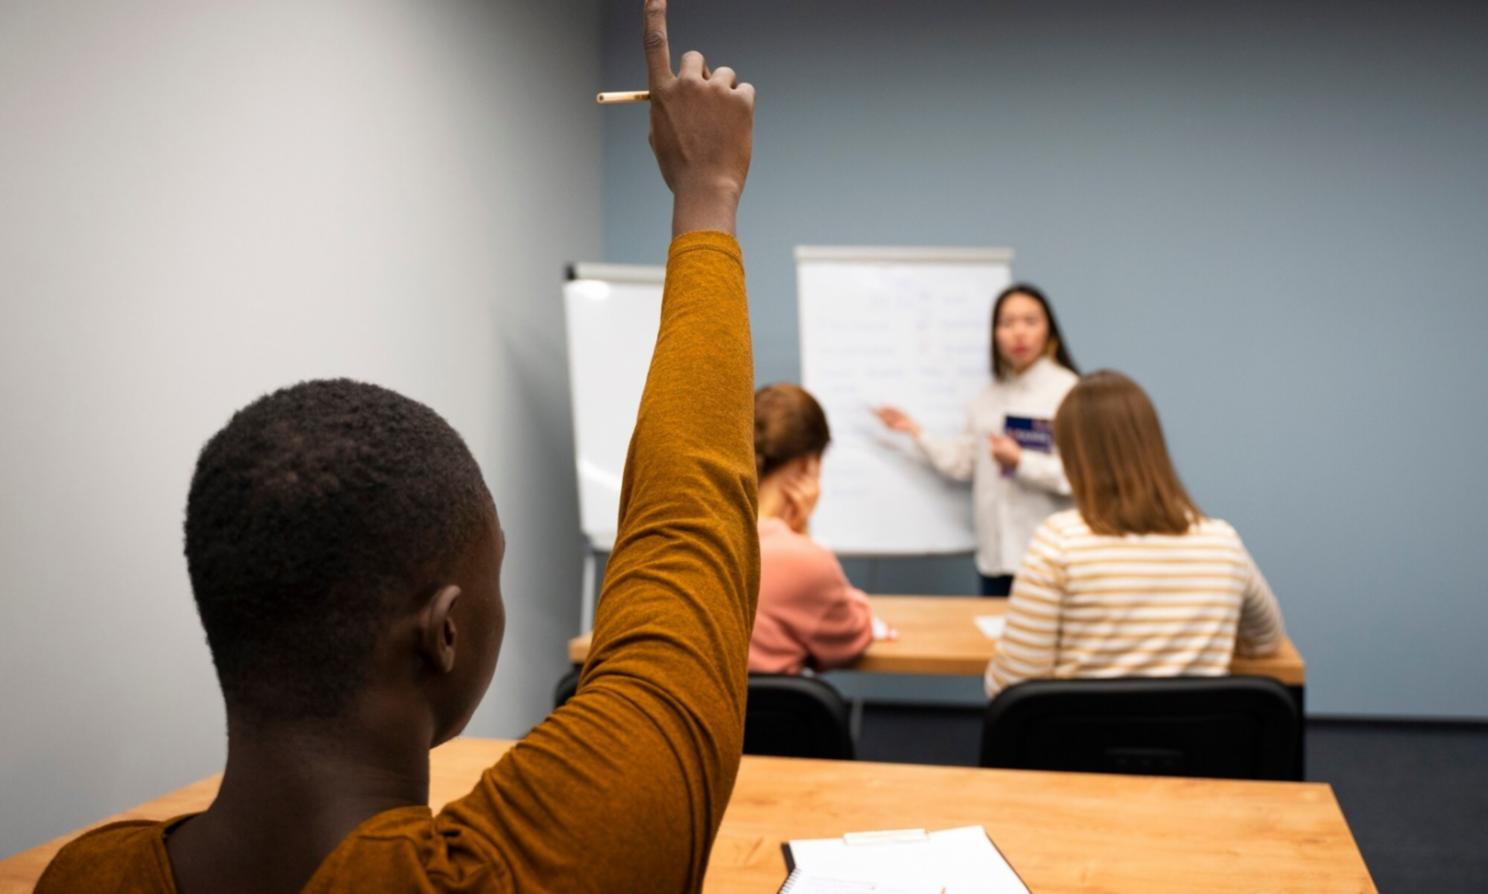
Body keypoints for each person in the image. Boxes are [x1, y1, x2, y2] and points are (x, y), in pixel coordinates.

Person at [38, 3, 759, 891]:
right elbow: (688, 535)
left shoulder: (83, 875)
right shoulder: (521, 869)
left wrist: (704, 192)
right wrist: (709, 191)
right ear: (445, 632)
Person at [983, 370, 1286, 698]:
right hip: (1196, 732)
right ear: (1153, 447)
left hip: (1082, 732)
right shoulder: (1222, 543)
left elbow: (1011, 685)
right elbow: (1266, 641)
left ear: (1073, 456)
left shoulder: (1059, 542)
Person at [875, 283, 1080, 596]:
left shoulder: (1068, 392)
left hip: (1047, 558)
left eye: (1030, 321)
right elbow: (964, 463)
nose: (1019, 333)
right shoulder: (989, 398)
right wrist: (915, 432)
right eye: (1007, 323)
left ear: (1049, 330)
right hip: (995, 559)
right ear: (995, 334)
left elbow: (1078, 476)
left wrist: (1021, 461)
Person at [750, 384, 891, 675]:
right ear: (807, 466)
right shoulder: (805, 559)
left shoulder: (708, 537)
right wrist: (801, 535)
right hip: (776, 706)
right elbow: (850, 637)